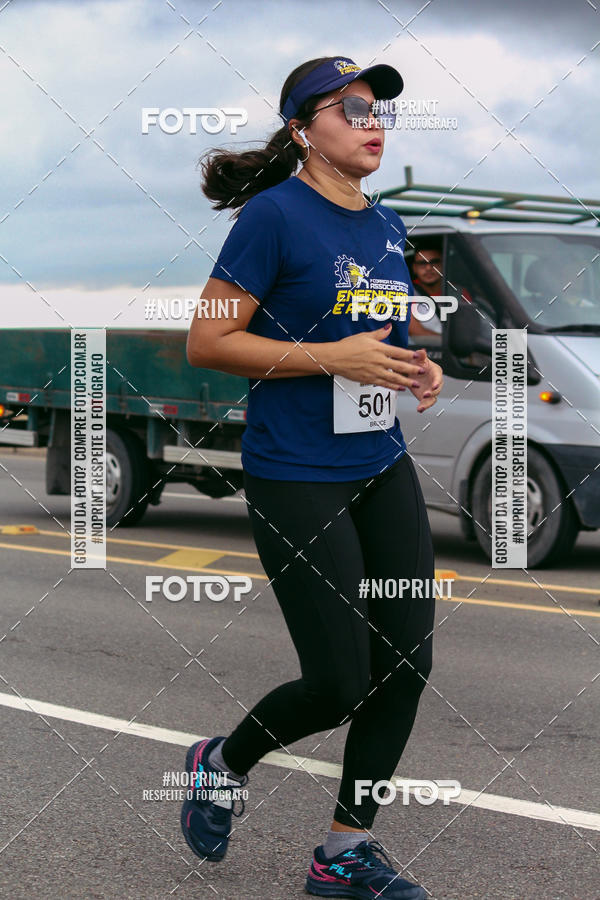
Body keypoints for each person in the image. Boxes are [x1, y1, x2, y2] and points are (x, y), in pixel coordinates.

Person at [183, 55, 443, 900]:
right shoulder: (273, 219)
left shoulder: (388, 225)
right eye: (352, 108)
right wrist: (327, 356)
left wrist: (416, 368)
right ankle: (221, 762)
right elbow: (209, 343)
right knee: (338, 682)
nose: (373, 121)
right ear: (303, 130)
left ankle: (343, 854)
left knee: (404, 664)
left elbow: (390, 330)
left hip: (378, 464)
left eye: (380, 110)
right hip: (295, 474)